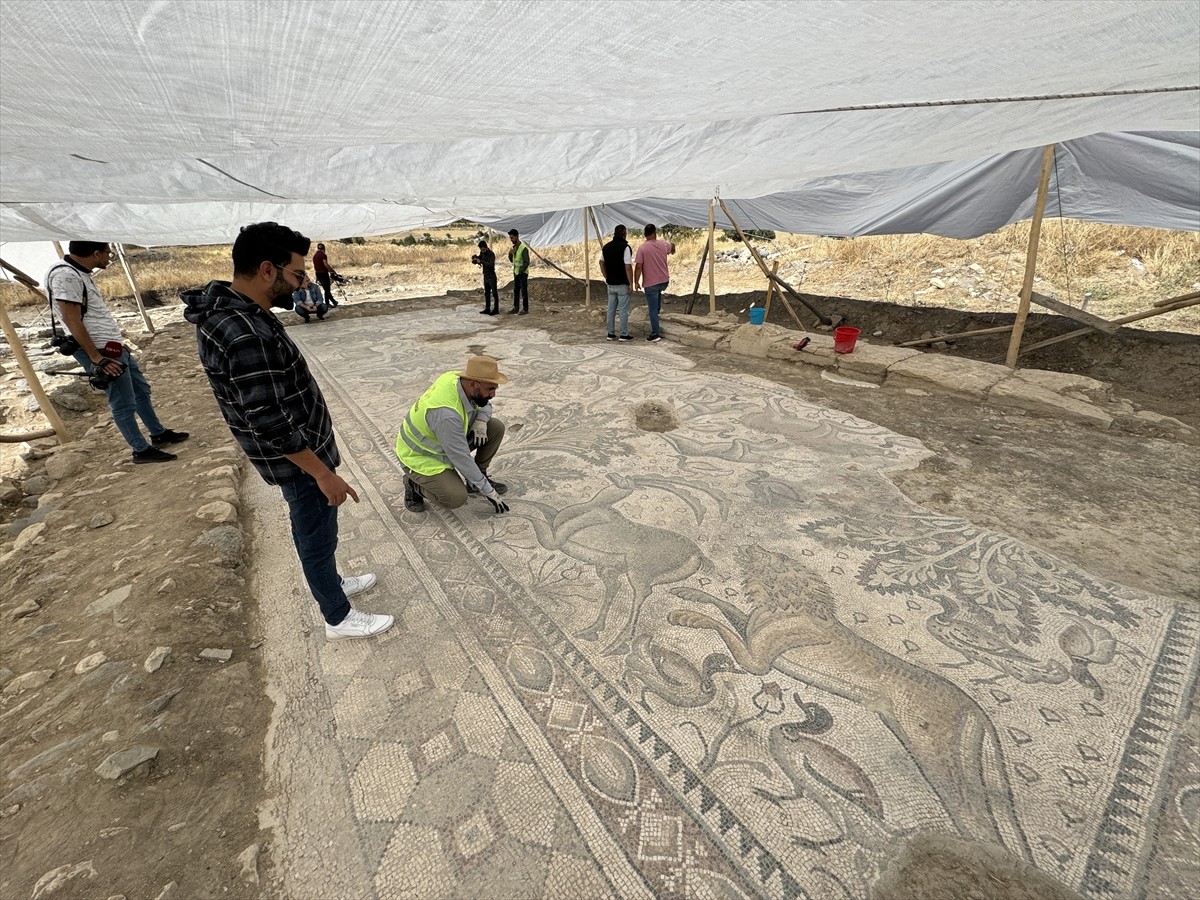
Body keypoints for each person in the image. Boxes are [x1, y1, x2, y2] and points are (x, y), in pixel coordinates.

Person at [182, 222, 393, 642]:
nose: (304, 283)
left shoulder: (236, 315)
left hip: (298, 452)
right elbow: (269, 420)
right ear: (266, 270)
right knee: (314, 532)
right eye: (298, 274)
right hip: (298, 460)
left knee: (320, 527)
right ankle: (337, 616)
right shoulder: (243, 332)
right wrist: (322, 472)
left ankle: (331, 583)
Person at [45, 242, 188, 464]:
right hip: (100, 351)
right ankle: (140, 450)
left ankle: (157, 433)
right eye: (107, 253)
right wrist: (96, 358)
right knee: (122, 402)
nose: (109, 258)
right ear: (95, 253)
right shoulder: (66, 276)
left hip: (111, 347)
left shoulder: (77, 272)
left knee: (140, 390)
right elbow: (71, 319)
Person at [395, 355, 511, 516]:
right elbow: (461, 457)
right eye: (490, 389)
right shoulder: (446, 414)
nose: (493, 395)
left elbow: (487, 405)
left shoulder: (456, 378)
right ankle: (413, 484)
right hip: (421, 455)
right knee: (455, 497)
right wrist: (488, 490)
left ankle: (477, 478)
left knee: (495, 427)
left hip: (445, 438)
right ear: (473, 384)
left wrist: (481, 421)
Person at [633, 224, 675, 343]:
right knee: (656, 303)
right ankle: (656, 319)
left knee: (652, 308)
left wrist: (636, 281)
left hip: (651, 282)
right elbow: (672, 246)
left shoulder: (642, 248)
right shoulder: (663, 244)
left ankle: (655, 333)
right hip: (663, 280)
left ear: (645, 234)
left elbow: (638, 267)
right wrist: (673, 251)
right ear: (655, 232)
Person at [599, 224, 634, 341]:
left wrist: (606, 276)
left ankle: (611, 333)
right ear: (624, 234)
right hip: (622, 283)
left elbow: (601, 262)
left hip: (611, 283)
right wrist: (631, 283)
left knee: (611, 309)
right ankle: (623, 334)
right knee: (623, 309)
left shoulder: (606, 247)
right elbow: (628, 266)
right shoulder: (625, 247)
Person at [472, 240, 499, 315]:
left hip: (491, 275)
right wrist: (475, 259)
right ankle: (487, 308)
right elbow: (478, 260)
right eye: (481, 250)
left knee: (494, 293)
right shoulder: (482, 253)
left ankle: (496, 309)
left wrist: (481, 261)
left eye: (483, 249)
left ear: (486, 247)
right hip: (485, 275)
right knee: (487, 293)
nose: (482, 251)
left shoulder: (491, 254)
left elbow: (491, 265)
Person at [507, 229, 530, 315]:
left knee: (524, 291)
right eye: (510, 238)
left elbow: (526, 262)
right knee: (516, 291)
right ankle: (516, 308)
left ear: (517, 236)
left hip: (523, 273)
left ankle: (525, 309)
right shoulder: (514, 248)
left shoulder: (523, 248)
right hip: (516, 272)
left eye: (512, 238)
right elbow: (512, 260)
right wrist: (510, 254)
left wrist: (521, 270)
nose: (511, 239)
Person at [311, 242, 339, 307]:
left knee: (325, 288)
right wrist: (332, 271)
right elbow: (325, 264)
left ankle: (333, 301)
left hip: (318, 273)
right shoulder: (323, 255)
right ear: (324, 248)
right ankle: (327, 303)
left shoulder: (315, 256)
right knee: (327, 289)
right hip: (323, 273)